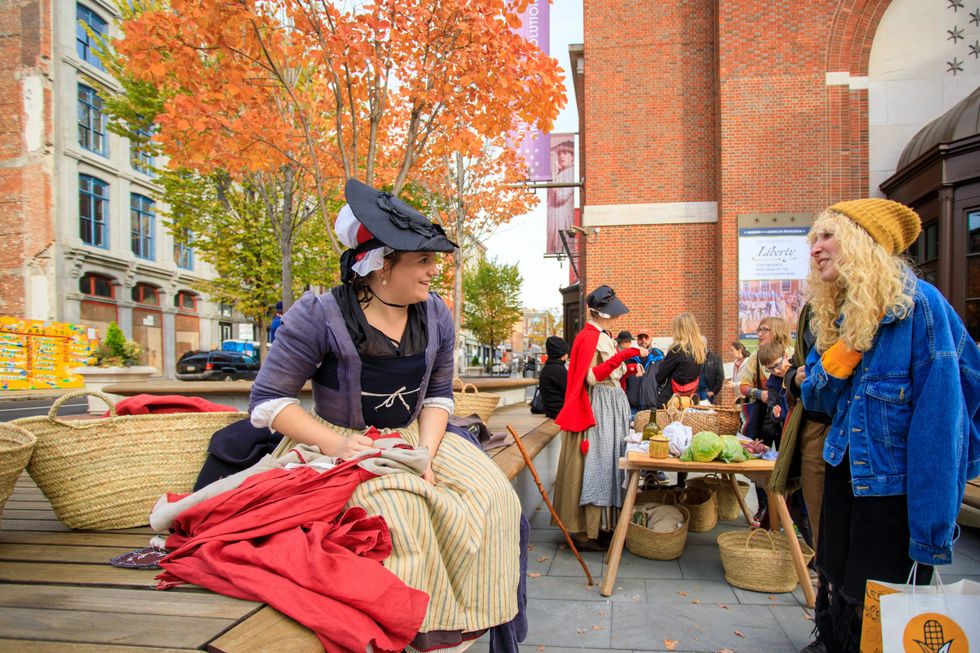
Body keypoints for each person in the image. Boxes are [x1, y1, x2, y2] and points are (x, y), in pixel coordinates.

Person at [249, 178, 523, 650]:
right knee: (402, 516)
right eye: (423, 260)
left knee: (496, 496)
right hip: (338, 440)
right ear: (381, 266)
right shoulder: (319, 314)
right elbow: (268, 400)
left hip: (418, 433)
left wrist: (427, 455)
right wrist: (336, 444)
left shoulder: (436, 314)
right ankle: (413, 631)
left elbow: (438, 396)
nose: (433, 270)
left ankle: (470, 618)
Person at [799, 199, 980, 653]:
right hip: (845, 474)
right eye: (814, 239)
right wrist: (844, 352)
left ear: (862, 243)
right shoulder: (843, 313)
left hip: (894, 493)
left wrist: (931, 533)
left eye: (827, 236)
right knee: (838, 582)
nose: (816, 248)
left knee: (877, 603)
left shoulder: (919, 307)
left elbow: (941, 428)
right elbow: (816, 400)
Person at [553, 285, 646, 551]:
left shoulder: (601, 335)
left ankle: (600, 526)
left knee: (607, 465)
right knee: (597, 464)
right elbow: (592, 377)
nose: (617, 317)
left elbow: (608, 372)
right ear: (601, 313)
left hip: (611, 404)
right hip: (599, 407)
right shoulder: (588, 336)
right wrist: (624, 355)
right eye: (612, 312)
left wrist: (627, 368)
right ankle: (585, 531)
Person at [737, 316, 792, 441]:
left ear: (778, 331)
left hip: (789, 418)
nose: (760, 334)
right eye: (759, 330)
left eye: (765, 330)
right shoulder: (755, 357)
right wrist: (760, 394)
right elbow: (743, 386)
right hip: (763, 417)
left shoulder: (792, 356)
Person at [656, 312, 706, 402]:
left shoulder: (677, 350)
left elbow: (660, 377)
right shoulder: (701, 350)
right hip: (690, 398)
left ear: (679, 329)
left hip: (673, 398)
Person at [546, 139, 575, 255]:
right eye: (559, 153)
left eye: (565, 153)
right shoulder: (559, 173)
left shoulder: (571, 173)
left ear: (572, 156)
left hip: (563, 219)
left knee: (561, 246)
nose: (561, 156)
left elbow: (561, 197)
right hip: (554, 219)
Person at [537, 336, 569, 419]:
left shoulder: (547, 368)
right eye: (565, 352)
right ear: (560, 353)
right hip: (560, 413)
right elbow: (569, 392)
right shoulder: (558, 370)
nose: (567, 355)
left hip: (551, 411)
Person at [697, 339, 725, 404]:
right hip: (695, 392)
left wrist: (713, 391)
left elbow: (720, 377)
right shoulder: (695, 358)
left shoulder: (715, 358)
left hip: (707, 392)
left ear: (704, 345)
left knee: (707, 412)